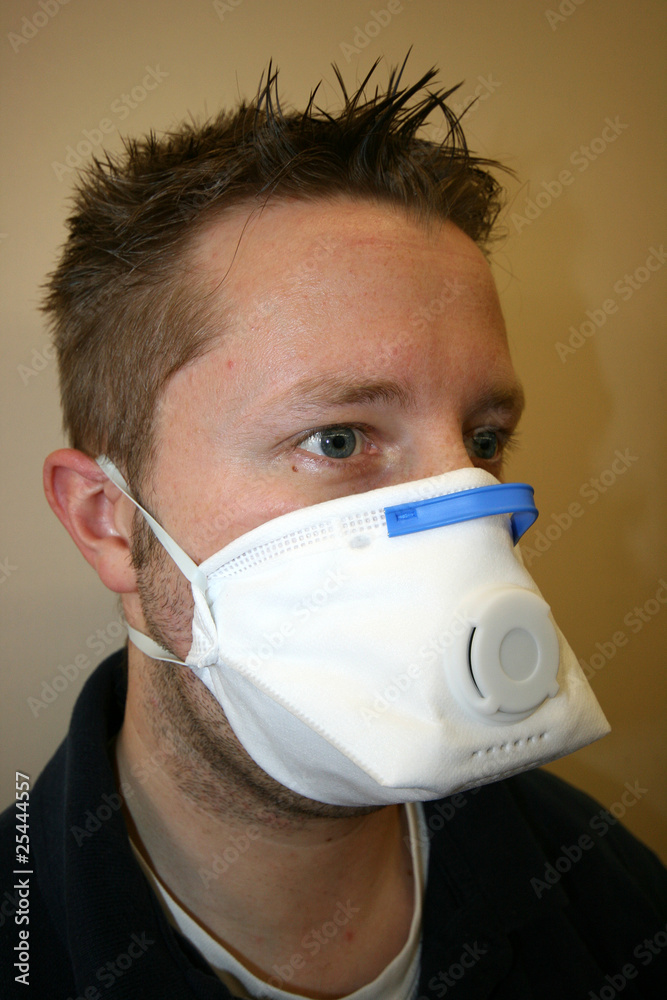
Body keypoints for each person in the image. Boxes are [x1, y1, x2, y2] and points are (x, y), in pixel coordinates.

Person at [1, 59, 665, 1000]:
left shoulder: (611, 901)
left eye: (483, 440)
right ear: (107, 520)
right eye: (339, 438)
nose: (462, 514)